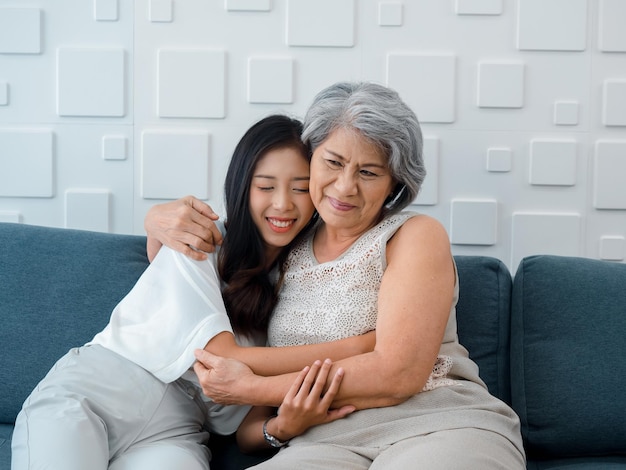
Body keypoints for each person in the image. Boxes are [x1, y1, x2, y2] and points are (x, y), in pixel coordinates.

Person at [148, 82, 527, 468]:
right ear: (310, 158)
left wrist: (250, 385)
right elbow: (251, 429)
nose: (345, 187)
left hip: (438, 425)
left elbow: (398, 373)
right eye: (333, 162)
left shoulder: (414, 235)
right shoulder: (283, 248)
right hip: (320, 445)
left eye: (368, 171)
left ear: (394, 183)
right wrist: (154, 222)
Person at [11, 115, 374, 470]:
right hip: (94, 395)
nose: (282, 204)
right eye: (265, 186)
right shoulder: (202, 238)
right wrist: (360, 347)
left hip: (176, 433)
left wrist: (283, 428)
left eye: (299, 187)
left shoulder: (301, 285)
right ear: (241, 188)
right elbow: (217, 356)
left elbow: (249, 427)